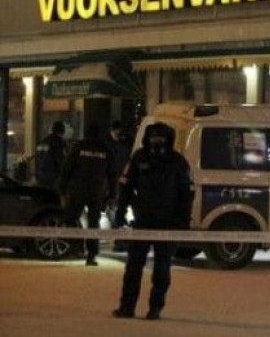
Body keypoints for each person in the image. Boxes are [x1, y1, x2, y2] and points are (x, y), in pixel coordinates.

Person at [113, 122, 193, 321]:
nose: (157, 143)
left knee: (162, 270)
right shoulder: (139, 157)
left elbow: (187, 193)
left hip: (167, 224)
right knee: (133, 268)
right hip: (142, 222)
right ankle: (127, 307)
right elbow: (125, 185)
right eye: (154, 138)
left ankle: (155, 308)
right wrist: (120, 212)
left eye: (161, 139)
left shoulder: (177, 161)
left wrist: (182, 221)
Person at [60, 124, 115, 266]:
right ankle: (91, 255)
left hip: (77, 190)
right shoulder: (106, 149)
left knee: (70, 219)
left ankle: (76, 244)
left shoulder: (78, 147)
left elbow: (67, 167)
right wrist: (112, 194)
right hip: (96, 191)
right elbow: (112, 174)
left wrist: (62, 187)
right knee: (93, 223)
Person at [105, 121, 132, 229]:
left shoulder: (125, 142)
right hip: (111, 177)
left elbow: (128, 158)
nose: (118, 134)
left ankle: (118, 221)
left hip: (121, 175)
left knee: (120, 199)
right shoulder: (107, 143)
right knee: (112, 200)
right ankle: (116, 222)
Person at [35, 121, 67, 189]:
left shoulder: (43, 141)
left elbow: (38, 157)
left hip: (41, 174)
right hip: (53, 176)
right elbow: (61, 160)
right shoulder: (60, 142)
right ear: (62, 130)